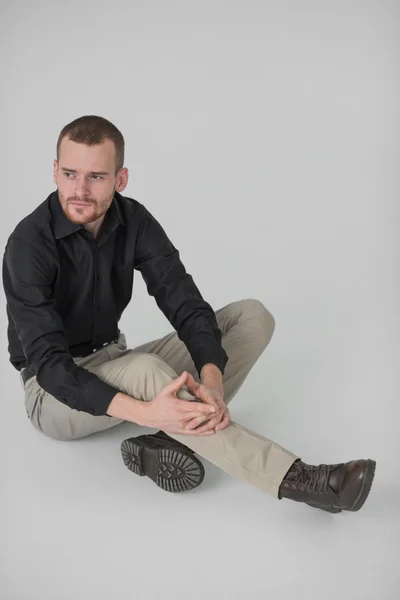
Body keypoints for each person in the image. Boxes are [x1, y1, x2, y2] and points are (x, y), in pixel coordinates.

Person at [2, 115, 376, 513]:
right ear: (55, 171)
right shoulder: (28, 244)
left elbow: (184, 301)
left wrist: (212, 379)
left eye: (96, 176)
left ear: (120, 179)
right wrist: (146, 411)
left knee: (251, 317)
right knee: (145, 369)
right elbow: (51, 368)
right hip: (50, 394)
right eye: (70, 173)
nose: (79, 189)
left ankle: (171, 437)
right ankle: (301, 480)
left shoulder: (134, 221)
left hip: (113, 357)